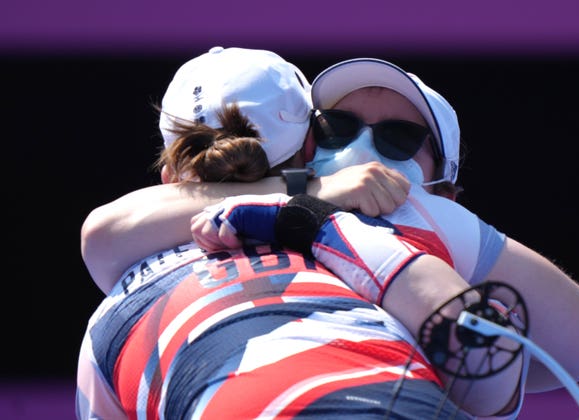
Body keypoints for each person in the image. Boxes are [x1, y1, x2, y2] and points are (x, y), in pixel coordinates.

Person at [77, 46, 512, 420]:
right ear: (307, 151)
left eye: (400, 138)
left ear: (169, 176)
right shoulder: (365, 234)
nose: (363, 155)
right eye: (337, 127)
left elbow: (103, 233)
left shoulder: (114, 310)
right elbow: (569, 354)